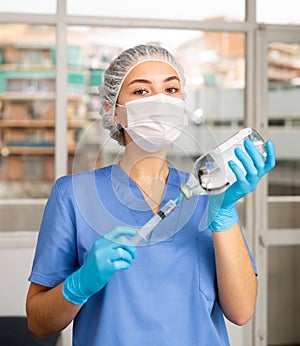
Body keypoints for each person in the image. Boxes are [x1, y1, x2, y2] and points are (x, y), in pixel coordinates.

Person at [26, 44, 276, 346]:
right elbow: (39, 323)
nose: (160, 100)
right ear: (112, 111)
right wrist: (78, 286)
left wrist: (224, 213)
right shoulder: (73, 195)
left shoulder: (209, 194)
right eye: (142, 92)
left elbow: (241, 311)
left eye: (171, 89)